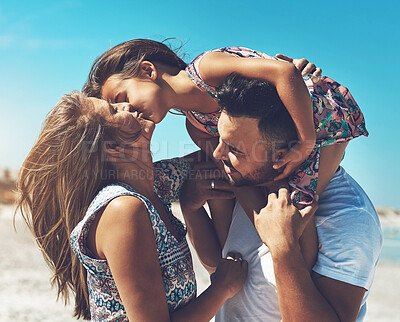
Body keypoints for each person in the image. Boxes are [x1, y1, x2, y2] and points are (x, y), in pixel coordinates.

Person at [15, 92, 248, 321]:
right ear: (113, 148)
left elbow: (212, 156)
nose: (126, 104)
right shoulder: (123, 208)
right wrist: (222, 288)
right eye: (113, 110)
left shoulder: (158, 183)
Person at [181, 74, 382, 321]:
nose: (218, 154)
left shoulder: (349, 217)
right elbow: (225, 270)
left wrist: (283, 248)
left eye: (234, 149)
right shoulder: (249, 181)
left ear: (281, 156)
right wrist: (192, 210)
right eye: (220, 139)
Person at [83, 39, 368, 208]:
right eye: (116, 108)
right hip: (284, 145)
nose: (126, 110)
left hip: (322, 115)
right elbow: (237, 176)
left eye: (122, 97)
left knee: (306, 204)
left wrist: (305, 143)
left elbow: (284, 73)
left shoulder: (206, 68)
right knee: (292, 207)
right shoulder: (196, 128)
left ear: (148, 70)